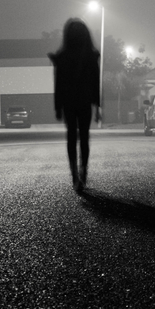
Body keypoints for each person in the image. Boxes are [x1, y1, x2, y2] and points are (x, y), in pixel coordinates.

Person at [49, 17, 102, 193]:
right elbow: (96, 82)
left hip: (69, 101)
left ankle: (75, 175)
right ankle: (83, 171)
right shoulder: (91, 55)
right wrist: (98, 105)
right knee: (84, 137)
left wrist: (58, 106)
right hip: (85, 101)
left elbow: (59, 83)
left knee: (72, 137)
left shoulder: (62, 57)